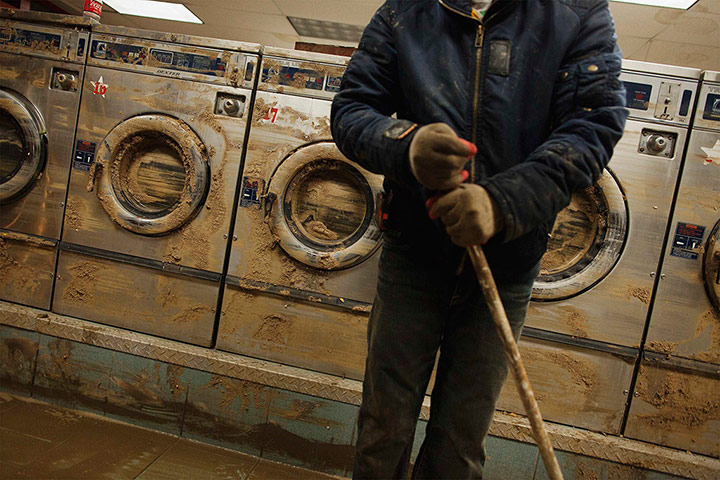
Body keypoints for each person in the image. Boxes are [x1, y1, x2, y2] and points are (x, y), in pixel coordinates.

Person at [331, 0, 628, 478]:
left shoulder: (578, 12)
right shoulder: (405, 12)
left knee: (461, 438)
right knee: (383, 423)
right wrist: (407, 145)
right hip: (415, 253)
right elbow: (350, 112)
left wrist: (501, 203)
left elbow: (592, 126)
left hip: (509, 260)